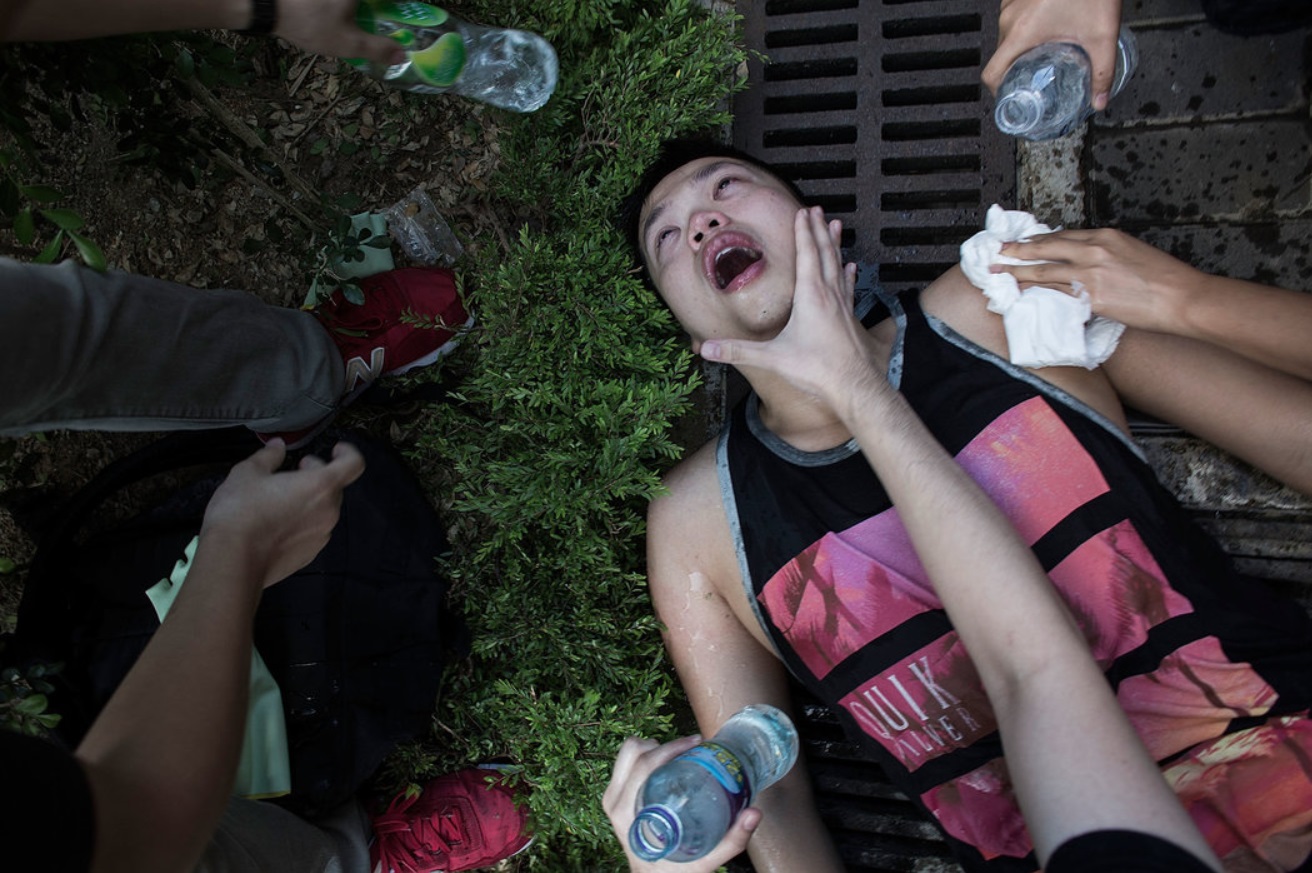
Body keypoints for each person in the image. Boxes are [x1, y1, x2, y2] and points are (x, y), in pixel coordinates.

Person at [617, 139, 1312, 873]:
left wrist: (1182, 298)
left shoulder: (996, 299)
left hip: (1279, 747)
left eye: (726, 185)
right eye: (668, 236)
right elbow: (768, 801)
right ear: (694, 336)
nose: (701, 223)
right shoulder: (696, 523)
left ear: (814, 221)